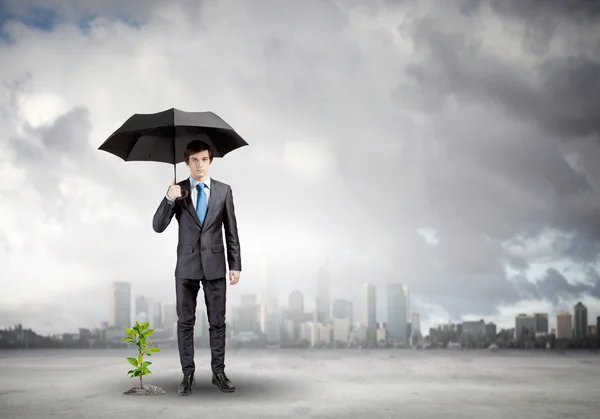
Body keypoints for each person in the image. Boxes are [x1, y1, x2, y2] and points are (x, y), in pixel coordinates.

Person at [152, 139, 241, 396]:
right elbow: (158, 226)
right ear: (186, 162)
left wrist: (235, 264)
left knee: (218, 323)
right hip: (186, 267)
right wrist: (169, 198)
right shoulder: (177, 190)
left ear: (210, 160)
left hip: (215, 266)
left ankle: (218, 373)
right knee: (185, 323)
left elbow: (231, 230)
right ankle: (187, 374)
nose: (199, 164)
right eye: (194, 160)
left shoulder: (224, 191)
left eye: (204, 159)